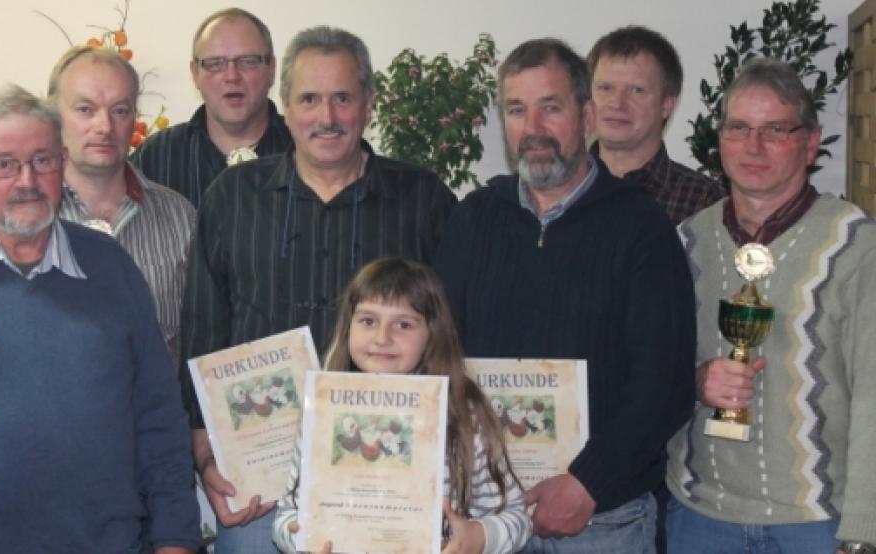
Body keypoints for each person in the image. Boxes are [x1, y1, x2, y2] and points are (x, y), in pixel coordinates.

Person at [179, 25, 457, 553]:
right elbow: (203, 326)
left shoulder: (423, 199)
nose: (326, 118)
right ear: (284, 106)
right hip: (261, 486)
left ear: (369, 105)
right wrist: (204, 450)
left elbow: (452, 333)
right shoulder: (233, 197)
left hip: (387, 482)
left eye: (342, 99)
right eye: (309, 99)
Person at [0, 85, 199, 552]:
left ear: (62, 164)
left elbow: (158, 416)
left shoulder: (111, 267)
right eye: (4, 164)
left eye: (43, 161)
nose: (27, 181)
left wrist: (175, 537)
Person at [433, 38, 696, 553]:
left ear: (587, 115)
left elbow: (663, 383)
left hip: (600, 520)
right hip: (486, 515)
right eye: (516, 109)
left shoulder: (641, 228)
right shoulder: (472, 220)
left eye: (550, 107)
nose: (532, 129)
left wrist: (588, 482)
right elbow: (439, 353)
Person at [665, 58, 876, 554]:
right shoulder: (687, 240)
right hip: (699, 519)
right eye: (739, 128)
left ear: (810, 143)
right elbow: (651, 366)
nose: (753, 146)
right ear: (721, 140)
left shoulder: (856, 245)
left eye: (775, 129)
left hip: (817, 525)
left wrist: (863, 533)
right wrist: (696, 380)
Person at [272, 257, 533, 554]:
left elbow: (516, 517)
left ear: (432, 334)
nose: (383, 338)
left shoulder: (464, 412)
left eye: (404, 324)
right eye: (368, 321)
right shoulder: (322, 410)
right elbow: (288, 515)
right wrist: (299, 540)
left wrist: (477, 538)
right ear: (348, 327)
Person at [48, 45, 195, 365]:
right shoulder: (25, 219)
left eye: (120, 110)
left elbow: (201, 336)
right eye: (85, 109)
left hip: (159, 413)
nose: (105, 126)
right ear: (54, 118)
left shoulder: (180, 216)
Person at [131, 8, 292, 208]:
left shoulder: (303, 148)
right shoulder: (156, 156)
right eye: (215, 64)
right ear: (195, 73)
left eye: (247, 62)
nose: (232, 76)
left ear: (271, 69)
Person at [587, 26, 724, 225]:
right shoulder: (558, 189)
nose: (617, 103)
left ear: (666, 105)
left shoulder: (704, 201)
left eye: (636, 90)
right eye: (605, 88)